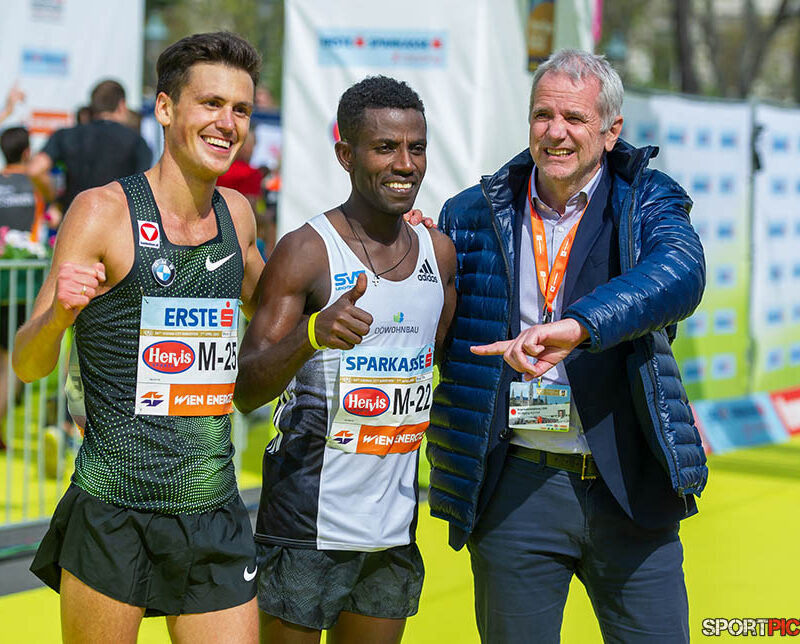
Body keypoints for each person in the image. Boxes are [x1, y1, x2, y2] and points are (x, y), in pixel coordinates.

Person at [424, 49, 708, 643]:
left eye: (575, 118)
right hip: (517, 488)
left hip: (629, 485)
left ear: (611, 131)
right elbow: (437, 318)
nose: (556, 132)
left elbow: (682, 272)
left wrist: (580, 325)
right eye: (543, 115)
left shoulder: (647, 198)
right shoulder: (470, 213)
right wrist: (407, 255)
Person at [13, 32, 265, 643]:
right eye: (211, 103)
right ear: (165, 108)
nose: (227, 123)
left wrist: (385, 231)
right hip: (115, 506)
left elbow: (282, 301)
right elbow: (26, 363)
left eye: (240, 109)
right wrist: (57, 317)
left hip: (212, 507)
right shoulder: (102, 211)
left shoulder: (236, 214)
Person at [234, 75, 456, 644]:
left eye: (416, 148)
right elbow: (246, 389)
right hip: (305, 523)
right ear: (346, 155)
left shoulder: (438, 253)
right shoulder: (307, 251)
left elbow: (439, 362)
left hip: (392, 527)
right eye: (385, 148)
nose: (405, 164)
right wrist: (312, 333)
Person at [27, 79, 152, 212]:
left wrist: (55, 199)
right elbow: (142, 189)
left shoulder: (66, 135)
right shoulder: (136, 142)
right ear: (122, 105)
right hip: (115, 218)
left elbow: (35, 169)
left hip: (74, 216)